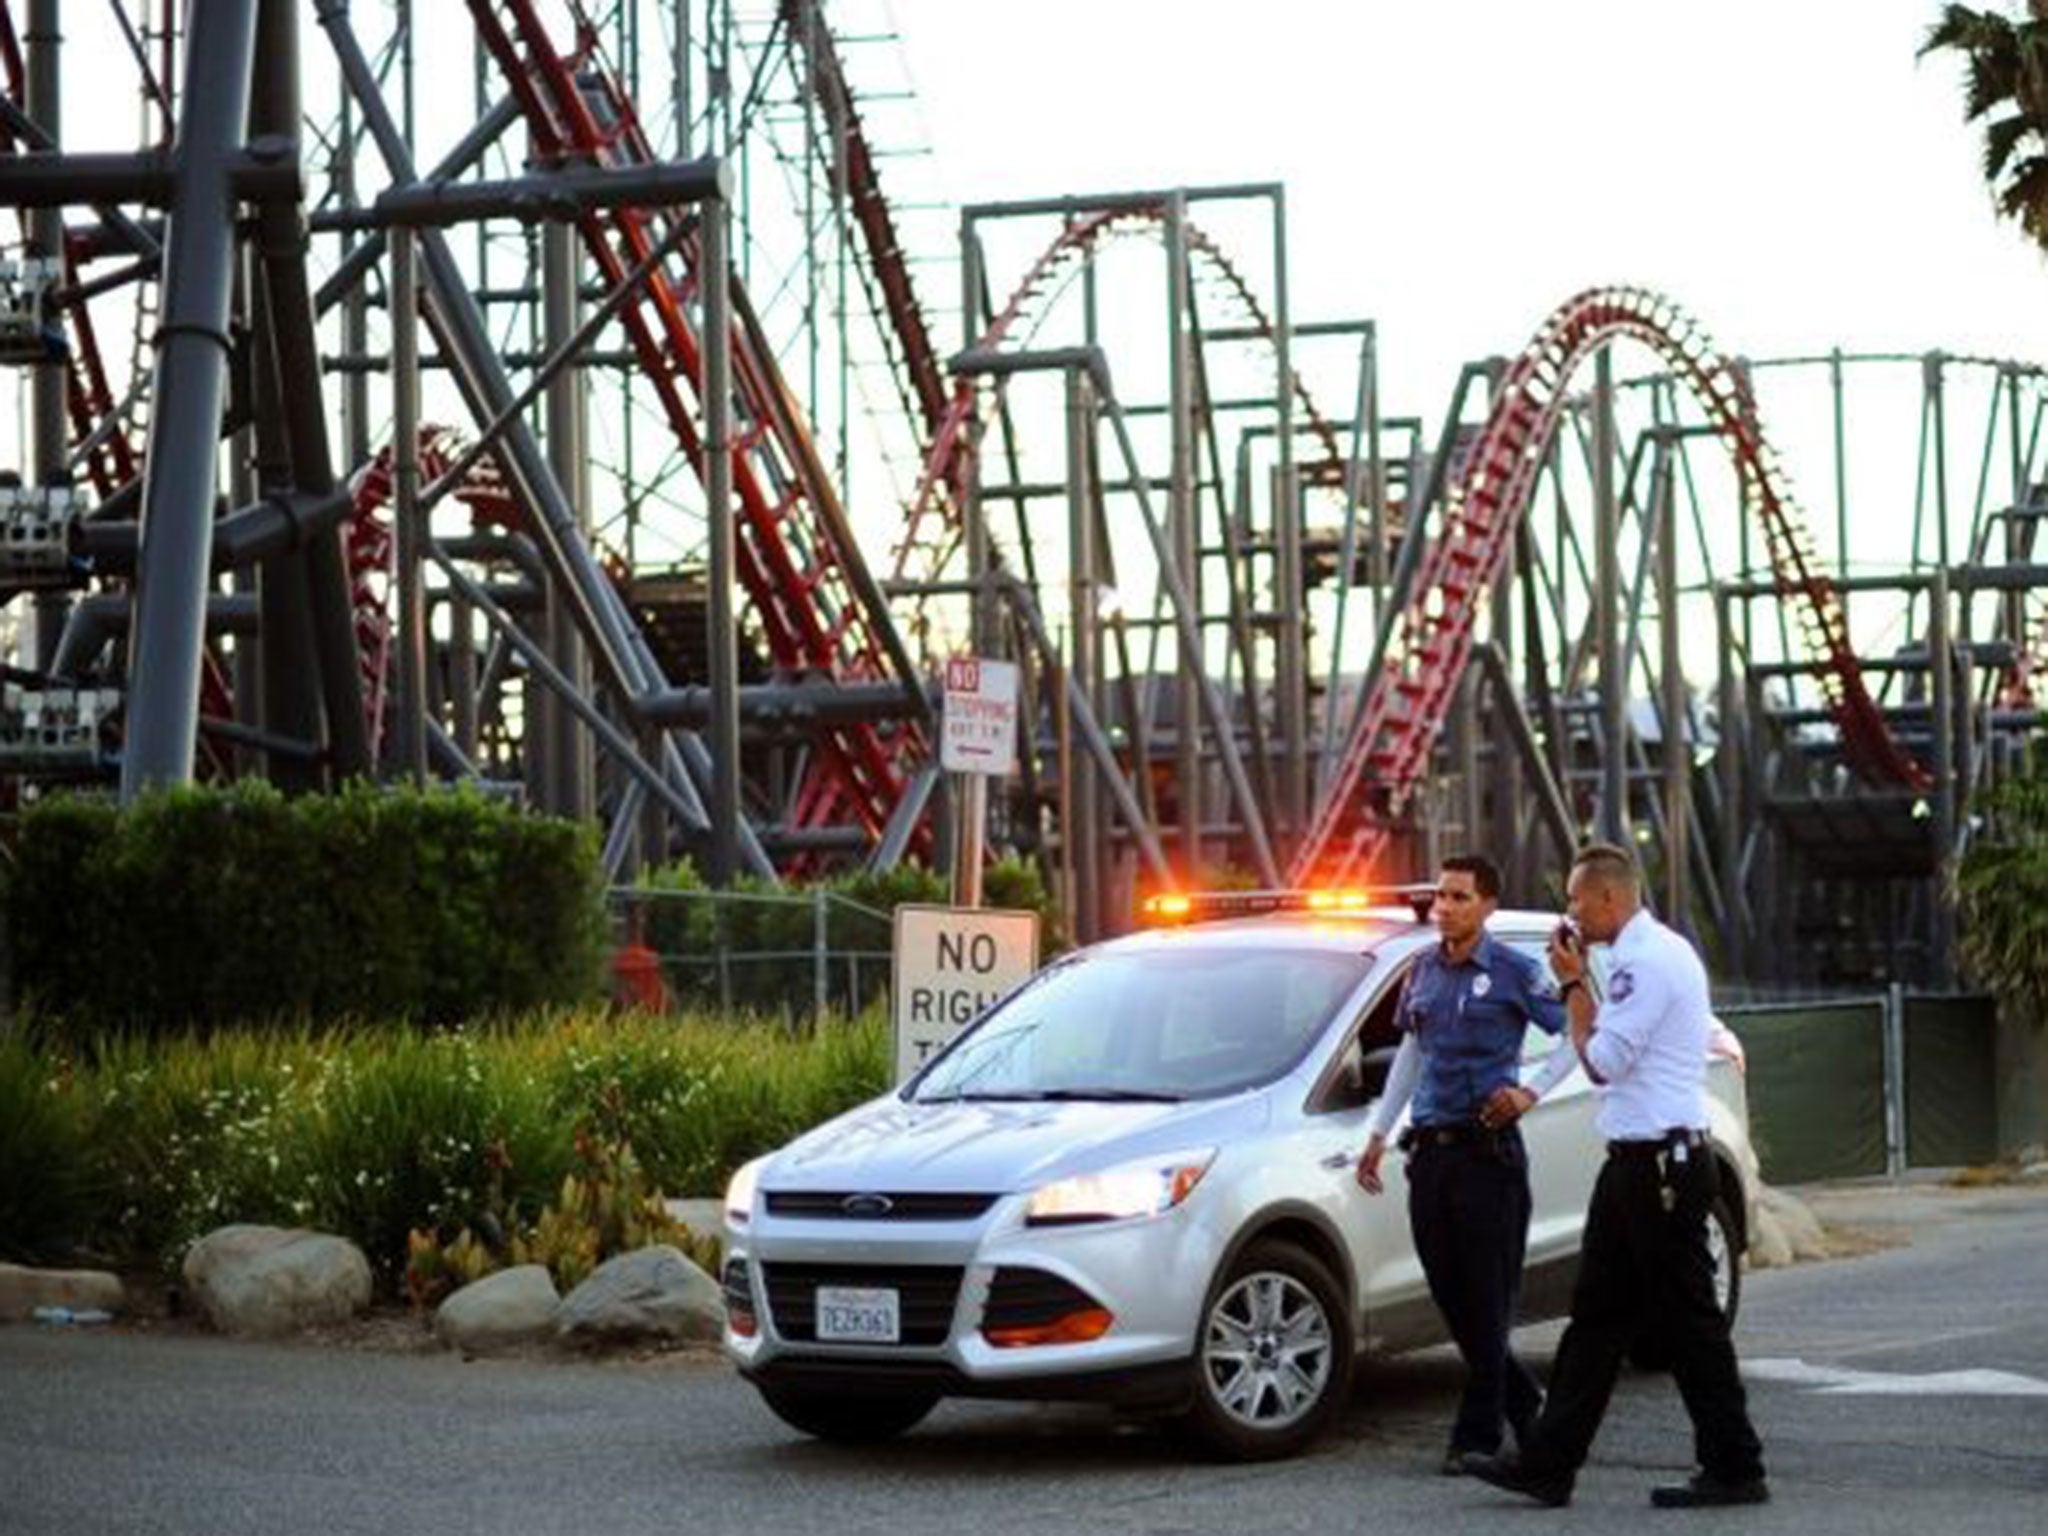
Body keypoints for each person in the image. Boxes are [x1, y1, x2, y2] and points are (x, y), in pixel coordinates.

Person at [1465, 843, 1767, 1509]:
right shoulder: (1648, 955)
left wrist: (1575, 984)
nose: (1570, 911)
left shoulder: (1643, 963)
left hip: (1658, 1164)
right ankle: (1549, 1462)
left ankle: (1735, 1463)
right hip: (1636, 1162)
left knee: (1689, 1322)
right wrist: (1585, 983)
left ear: (1608, 899)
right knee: (1597, 1319)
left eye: (1576, 899)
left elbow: (1602, 1060)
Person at [1355, 853, 1575, 1474]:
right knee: (1451, 1295)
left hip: (1488, 1156)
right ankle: (1526, 1400)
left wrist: (1530, 1092)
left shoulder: (1512, 970)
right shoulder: (1422, 970)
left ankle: (1477, 1434)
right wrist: (1380, 1132)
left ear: (1487, 906)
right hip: (1430, 1153)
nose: (1443, 907)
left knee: (1487, 1297)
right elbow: (1411, 1053)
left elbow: (1576, 1033)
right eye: (1440, 897)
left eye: (1457, 897)